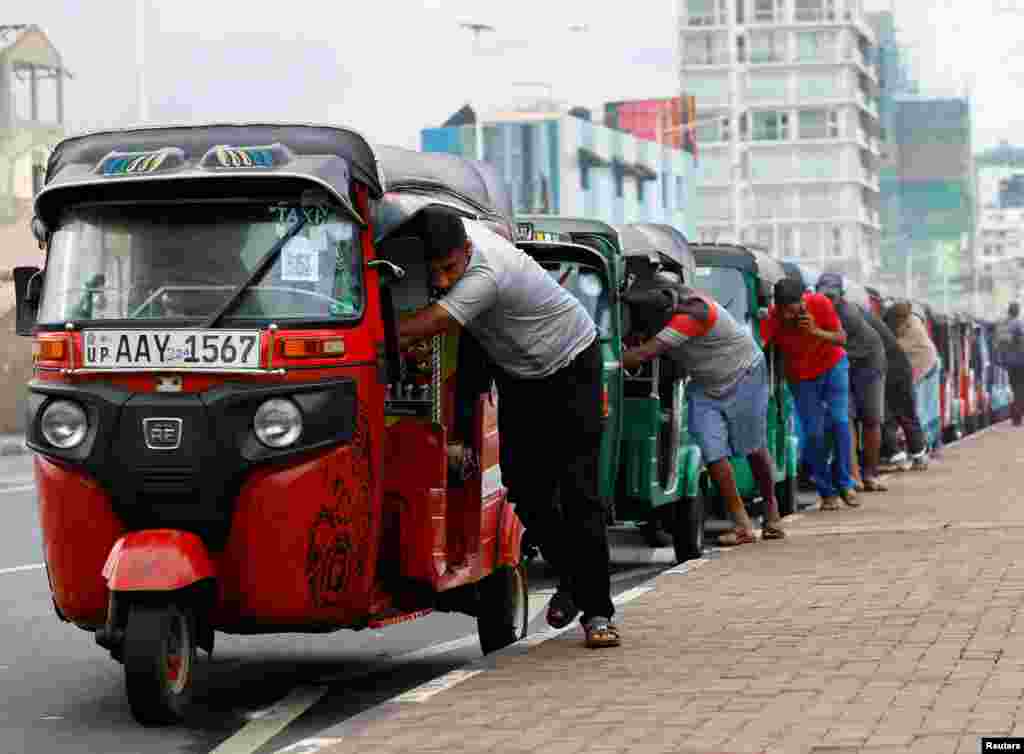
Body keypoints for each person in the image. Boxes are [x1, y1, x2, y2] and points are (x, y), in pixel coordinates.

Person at [396, 206, 619, 649]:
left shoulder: (486, 272)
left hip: (572, 365)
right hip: (520, 373)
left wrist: (365, 332)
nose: (441, 281)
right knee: (526, 490)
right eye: (433, 271)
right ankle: (574, 580)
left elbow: (433, 322)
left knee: (580, 494)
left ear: (466, 251)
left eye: (448, 269)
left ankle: (597, 613)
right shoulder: (456, 238)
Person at [621, 279, 785, 547]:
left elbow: (641, 355)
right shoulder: (661, 316)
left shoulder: (692, 314)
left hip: (745, 375)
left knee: (753, 447)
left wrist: (605, 358)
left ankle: (771, 510)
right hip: (706, 384)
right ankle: (743, 525)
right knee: (712, 453)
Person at [761, 278, 857, 511]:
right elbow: (761, 344)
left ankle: (846, 483)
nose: (786, 316)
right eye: (782, 310)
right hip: (801, 377)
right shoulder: (774, 316)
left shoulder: (820, 303)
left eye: (791, 310)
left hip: (832, 366)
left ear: (802, 301)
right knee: (813, 433)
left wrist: (815, 331)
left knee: (839, 421)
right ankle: (827, 492)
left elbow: (841, 338)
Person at [815, 273, 888, 494]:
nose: (828, 301)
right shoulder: (812, 309)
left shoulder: (847, 314)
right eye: (823, 295)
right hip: (842, 363)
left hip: (868, 363)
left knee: (871, 418)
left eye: (832, 296)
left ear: (841, 297)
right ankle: (853, 477)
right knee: (844, 418)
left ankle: (870, 475)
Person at [862, 305, 930, 472]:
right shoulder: (880, 323)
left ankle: (897, 456)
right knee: (906, 414)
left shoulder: (866, 322)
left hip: (887, 370)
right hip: (901, 370)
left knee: (885, 414)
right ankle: (918, 456)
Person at [886, 301, 939, 467]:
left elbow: (894, 348)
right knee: (911, 411)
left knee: (909, 410)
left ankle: (917, 452)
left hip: (921, 367)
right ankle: (918, 451)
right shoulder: (910, 321)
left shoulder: (912, 331)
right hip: (910, 369)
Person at [995, 301, 1024, 426]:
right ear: (1017, 311)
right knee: (1020, 388)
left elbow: (1000, 343)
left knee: (1015, 388)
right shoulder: (1018, 324)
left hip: (1009, 362)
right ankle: (1017, 417)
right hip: (1020, 361)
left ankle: (1015, 416)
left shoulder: (1004, 325)